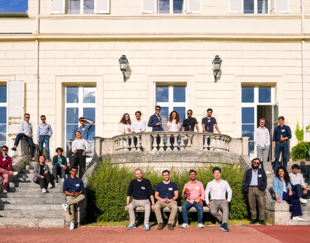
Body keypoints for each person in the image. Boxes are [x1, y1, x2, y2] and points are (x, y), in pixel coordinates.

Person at [205, 167, 232, 232]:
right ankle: (223, 221)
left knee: (225, 208)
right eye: (215, 173)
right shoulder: (210, 183)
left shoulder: (225, 182)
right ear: (213, 174)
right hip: (213, 201)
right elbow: (206, 193)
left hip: (223, 201)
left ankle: (224, 225)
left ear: (220, 174)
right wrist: (207, 202)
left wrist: (228, 199)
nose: (217, 174)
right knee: (213, 212)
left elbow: (229, 191)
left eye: (218, 173)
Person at [242, 158, 267, 225]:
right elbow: (244, 181)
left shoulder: (262, 171)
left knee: (261, 204)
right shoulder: (248, 171)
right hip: (250, 189)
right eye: (254, 162)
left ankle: (262, 219)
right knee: (252, 205)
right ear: (252, 163)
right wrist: (246, 189)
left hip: (259, 189)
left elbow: (265, 181)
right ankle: (254, 219)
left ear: (259, 164)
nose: (256, 163)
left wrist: (263, 188)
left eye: (257, 163)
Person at [62, 166, 85, 230]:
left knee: (83, 196)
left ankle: (67, 204)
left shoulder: (79, 180)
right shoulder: (67, 180)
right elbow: (64, 190)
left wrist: (79, 193)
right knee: (71, 205)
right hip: (69, 195)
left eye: (75, 171)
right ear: (70, 171)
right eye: (73, 171)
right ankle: (72, 222)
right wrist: (70, 193)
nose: (74, 172)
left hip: (77, 196)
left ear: (77, 172)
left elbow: (82, 189)